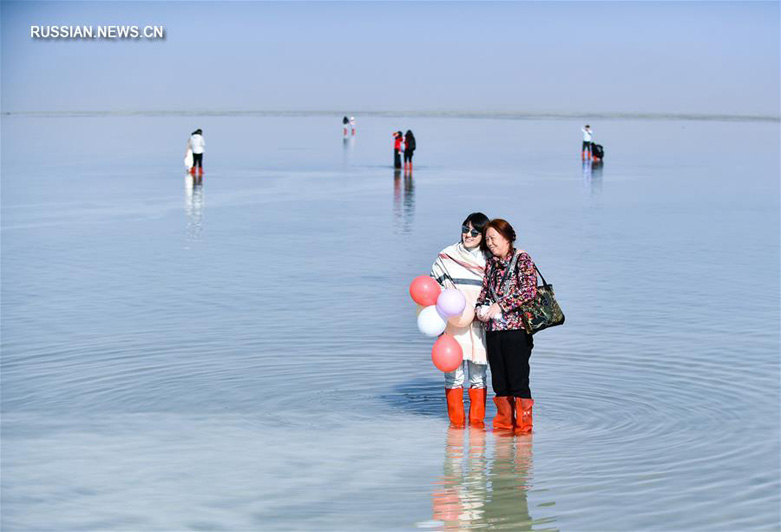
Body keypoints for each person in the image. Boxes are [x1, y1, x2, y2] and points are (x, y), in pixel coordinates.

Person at [475, 219, 539, 434]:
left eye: (493, 238)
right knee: (500, 383)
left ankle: (523, 434)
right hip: (494, 331)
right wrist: (479, 308)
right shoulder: (491, 263)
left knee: (518, 381)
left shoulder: (523, 259)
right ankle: (503, 432)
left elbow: (529, 291)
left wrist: (501, 305)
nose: (490, 243)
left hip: (517, 331)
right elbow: (484, 291)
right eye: (487, 240)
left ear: (507, 237)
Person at [431, 212, 490, 428]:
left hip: (478, 325)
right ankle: (455, 430)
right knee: (453, 377)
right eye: (465, 229)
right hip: (451, 324)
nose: (468, 235)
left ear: (484, 235)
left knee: (478, 377)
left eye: (475, 231)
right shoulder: (446, 256)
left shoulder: (489, 259)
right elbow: (433, 286)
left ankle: (477, 430)